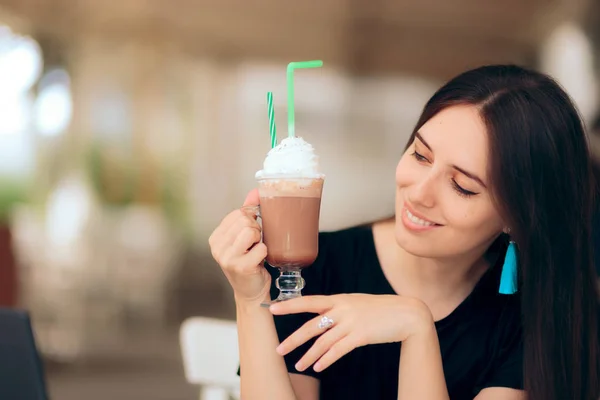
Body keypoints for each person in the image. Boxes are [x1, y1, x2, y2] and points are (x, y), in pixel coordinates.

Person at [209, 65, 600, 400]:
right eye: (420, 155)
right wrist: (249, 298)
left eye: (462, 186)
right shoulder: (314, 267)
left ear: (517, 215)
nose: (419, 192)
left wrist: (416, 329)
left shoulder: (530, 316)